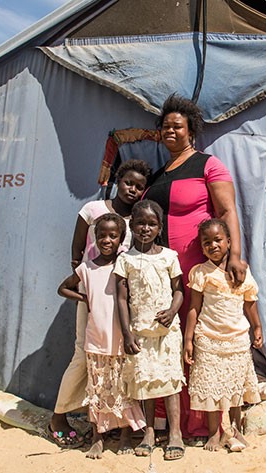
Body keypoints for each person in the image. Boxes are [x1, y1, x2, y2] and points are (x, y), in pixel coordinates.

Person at [141, 94, 248, 440]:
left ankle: (202, 422)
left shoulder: (208, 165)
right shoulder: (157, 174)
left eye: (178, 126)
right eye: (165, 126)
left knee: (198, 342)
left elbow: (227, 211)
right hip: (161, 274)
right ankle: (166, 421)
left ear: (191, 131)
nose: (170, 131)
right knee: (167, 340)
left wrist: (234, 256)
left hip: (197, 271)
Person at [49, 159, 151, 446]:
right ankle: (58, 415)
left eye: (139, 187)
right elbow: (76, 253)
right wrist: (84, 292)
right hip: (93, 293)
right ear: (118, 180)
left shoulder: (137, 220)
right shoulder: (93, 210)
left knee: (119, 359)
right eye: (129, 183)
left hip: (121, 298)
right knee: (83, 355)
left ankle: (116, 420)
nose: (132, 190)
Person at [57, 213, 147, 458]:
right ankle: (98, 437)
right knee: (97, 389)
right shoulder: (86, 268)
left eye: (113, 236)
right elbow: (63, 288)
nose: (107, 240)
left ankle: (126, 436)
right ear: (94, 238)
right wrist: (84, 298)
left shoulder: (124, 265)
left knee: (123, 389)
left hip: (121, 338)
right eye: (102, 235)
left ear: (121, 239)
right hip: (96, 339)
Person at [114, 200, 186, 461]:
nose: (146, 228)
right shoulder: (125, 260)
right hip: (140, 331)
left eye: (152, 224)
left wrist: (172, 311)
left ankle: (175, 433)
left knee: (169, 382)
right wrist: (126, 333)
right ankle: (148, 433)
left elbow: (179, 290)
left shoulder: (169, 256)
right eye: (141, 223)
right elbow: (121, 299)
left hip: (166, 332)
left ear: (160, 227)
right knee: (144, 382)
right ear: (131, 225)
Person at [183, 218, 262, 452]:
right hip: (208, 338)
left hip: (236, 339)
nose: (213, 246)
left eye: (218, 240)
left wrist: (257, 327)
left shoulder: (241, 272)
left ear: (229, 241)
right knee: (211, 389)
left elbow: (250, 302)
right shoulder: (200, 273)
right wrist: (188, 340)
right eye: (206, 242)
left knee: (236, 388)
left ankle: (235, 429)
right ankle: (213, 432)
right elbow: (193, 308)